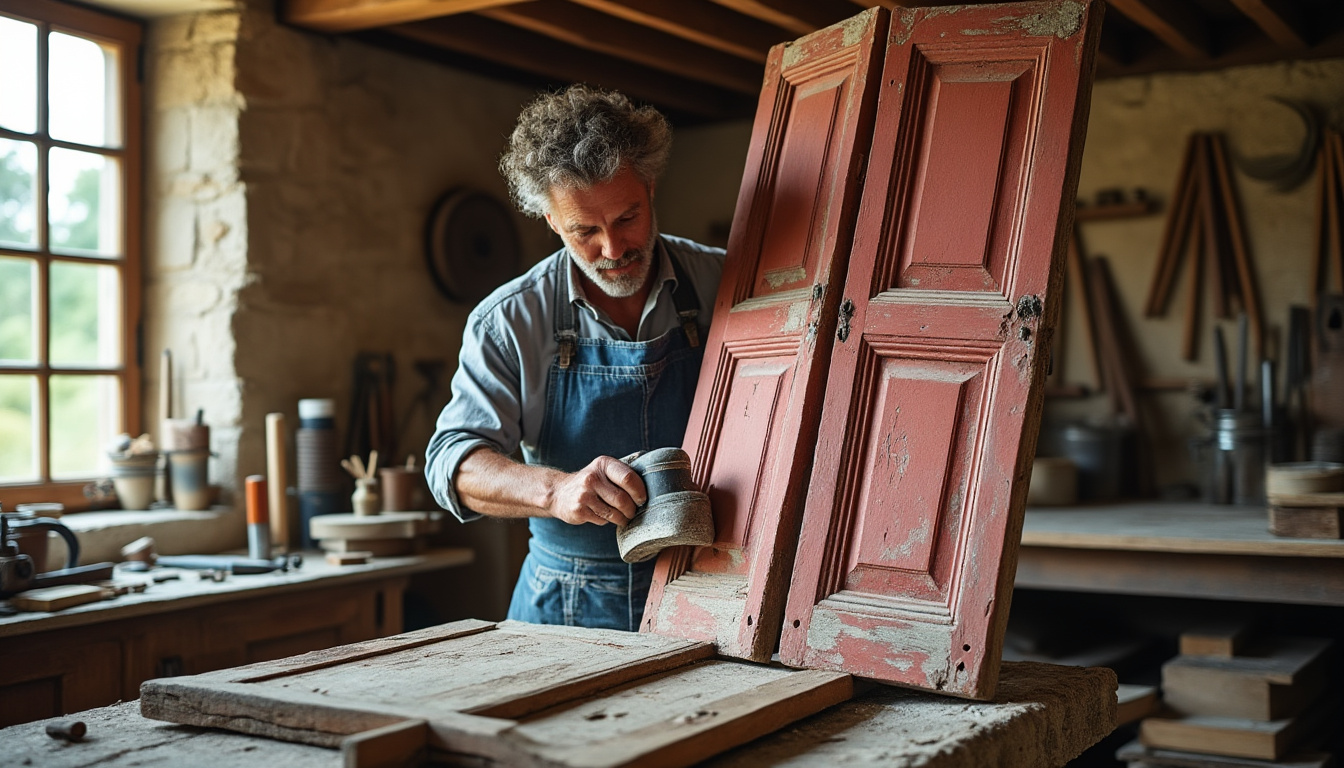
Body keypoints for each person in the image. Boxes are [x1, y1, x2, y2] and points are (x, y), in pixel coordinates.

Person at [425, 85, 725, 631]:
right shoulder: (510, 320)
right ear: (551, 222)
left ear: (652, 188)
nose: (613, 250)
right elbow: (454, 464)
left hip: (713, 586)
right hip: (570, 602)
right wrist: (556, 489)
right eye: (585, 231)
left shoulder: (727, 282)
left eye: (628, 218)